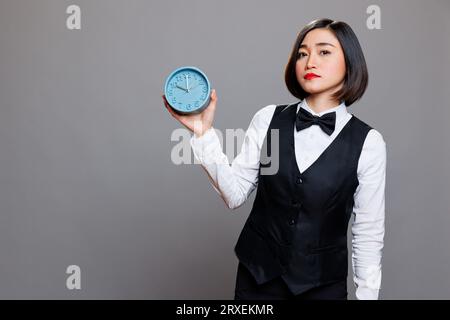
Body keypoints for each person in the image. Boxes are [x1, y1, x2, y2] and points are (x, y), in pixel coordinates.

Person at [162, 18, 386, 300]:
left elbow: (368, 233)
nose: (309, 61)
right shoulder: (268, 118)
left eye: (324, 52)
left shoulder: (369, 143)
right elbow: (234, 194)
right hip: (257, 281)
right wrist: (203, 133)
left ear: (350, 63)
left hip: (323, 288)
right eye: (302, 54)